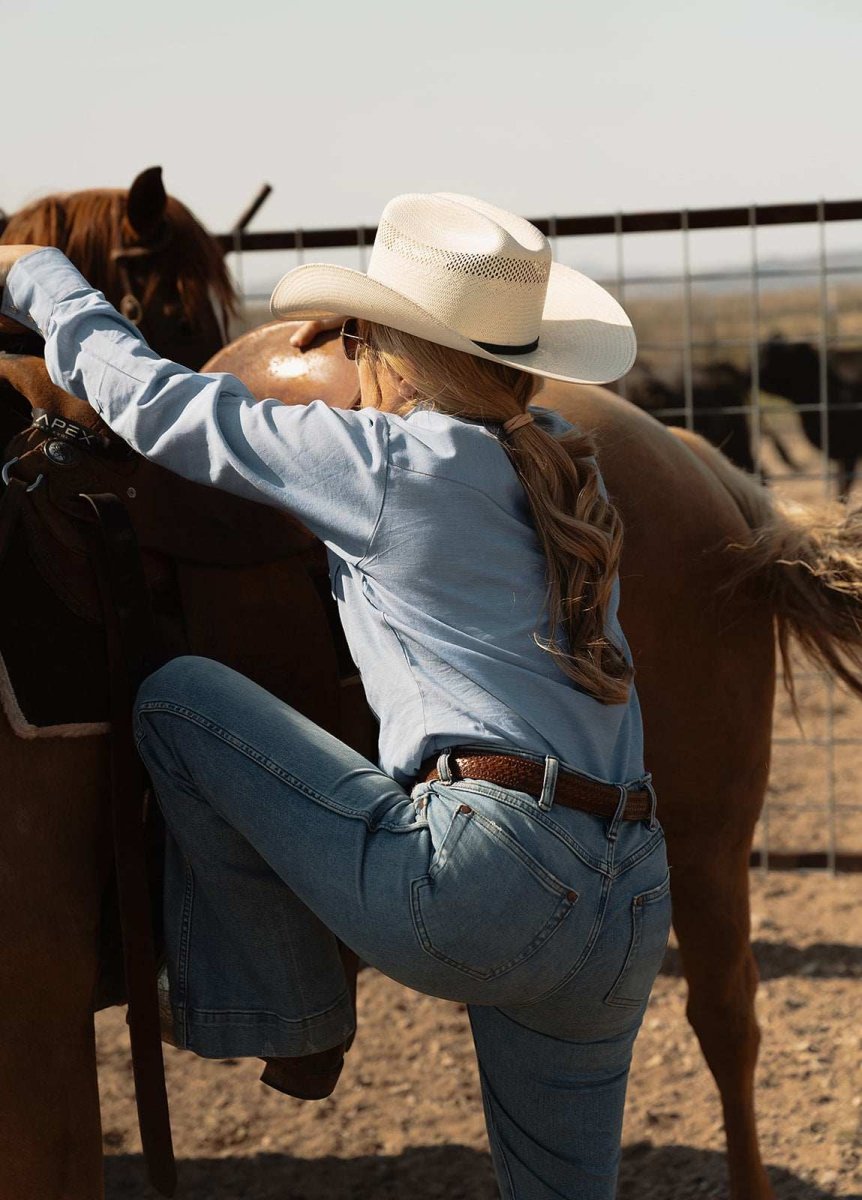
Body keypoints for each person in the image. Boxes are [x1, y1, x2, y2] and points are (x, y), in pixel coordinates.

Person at [0, 192, 671, 1200]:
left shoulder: (390, 464)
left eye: (355, 337)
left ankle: (295, 1019)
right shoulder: (564, 470)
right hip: (630, 896)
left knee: (175, 701)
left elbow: (151, 404)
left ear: (382, 346)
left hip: (489, 886)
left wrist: (34, 275)